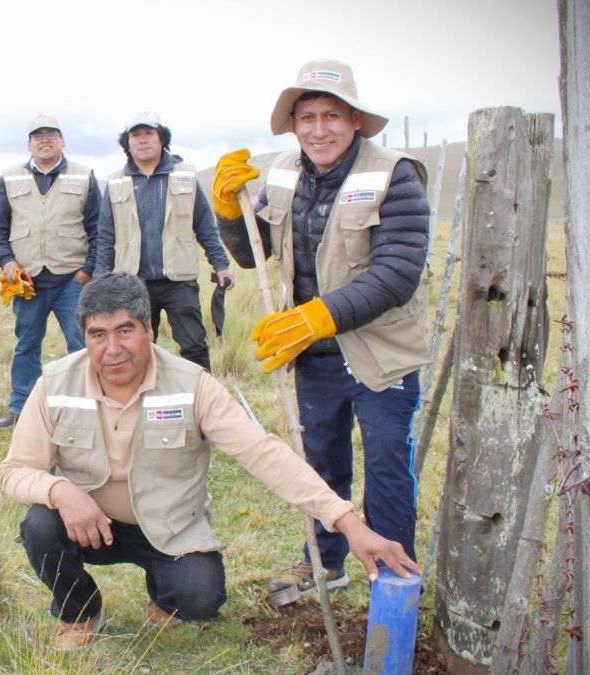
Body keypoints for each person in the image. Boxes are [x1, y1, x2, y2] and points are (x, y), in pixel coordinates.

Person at [0, 272, 420, 650]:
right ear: (84, 337)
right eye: (97, 334)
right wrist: (61, 490)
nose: (112, 349)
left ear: (150, 329)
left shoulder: (192, 384)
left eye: (125, 330)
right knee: (40, 524)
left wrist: (347, 522)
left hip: (169, 528)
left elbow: (264, 453)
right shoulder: (55, 383)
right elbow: (15, 471)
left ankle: (164, 596)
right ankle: (79, 612)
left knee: (199, 598)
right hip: (88, 526)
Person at [211, 58, 430, 602]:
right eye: (305, 116)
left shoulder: (394, 173)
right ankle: (324, 564)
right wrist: (229, 212)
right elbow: (252, 255)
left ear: (355, 119)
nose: (318, 128)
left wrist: (317, 316)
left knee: (386, 471)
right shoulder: (284, 172)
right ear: (293, 124)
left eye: (331, 115)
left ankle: (395, 581)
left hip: (382, 353)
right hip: (314, 356)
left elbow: (397, 272)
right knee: (320, 464)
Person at [0, 114, 101, 431]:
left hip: (72, 281)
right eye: (38, 135)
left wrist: (88, 271)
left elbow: (100, 229)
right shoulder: (9, 178)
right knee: (26, 345)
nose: (45, 139)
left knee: (81, 345)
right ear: (29, 143)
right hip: (28, 282)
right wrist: (7, 262)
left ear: (63, 140)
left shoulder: (84, 175)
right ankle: (22, 409)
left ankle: (86, 407)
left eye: (51, 133)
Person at [93, 112, 233, 373]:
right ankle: (145, 400)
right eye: (136, 135)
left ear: (161, 139)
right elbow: (105, 235)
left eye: (149, 134)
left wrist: (221, 264)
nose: (143, 140)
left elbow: (205, 225)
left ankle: (203, 401)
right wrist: (101, 276)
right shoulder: (115, 182)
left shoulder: (185, 176)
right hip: (132, 283)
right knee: (136, 347)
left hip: (179, 281)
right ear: (127, 143)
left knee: (193, 346)